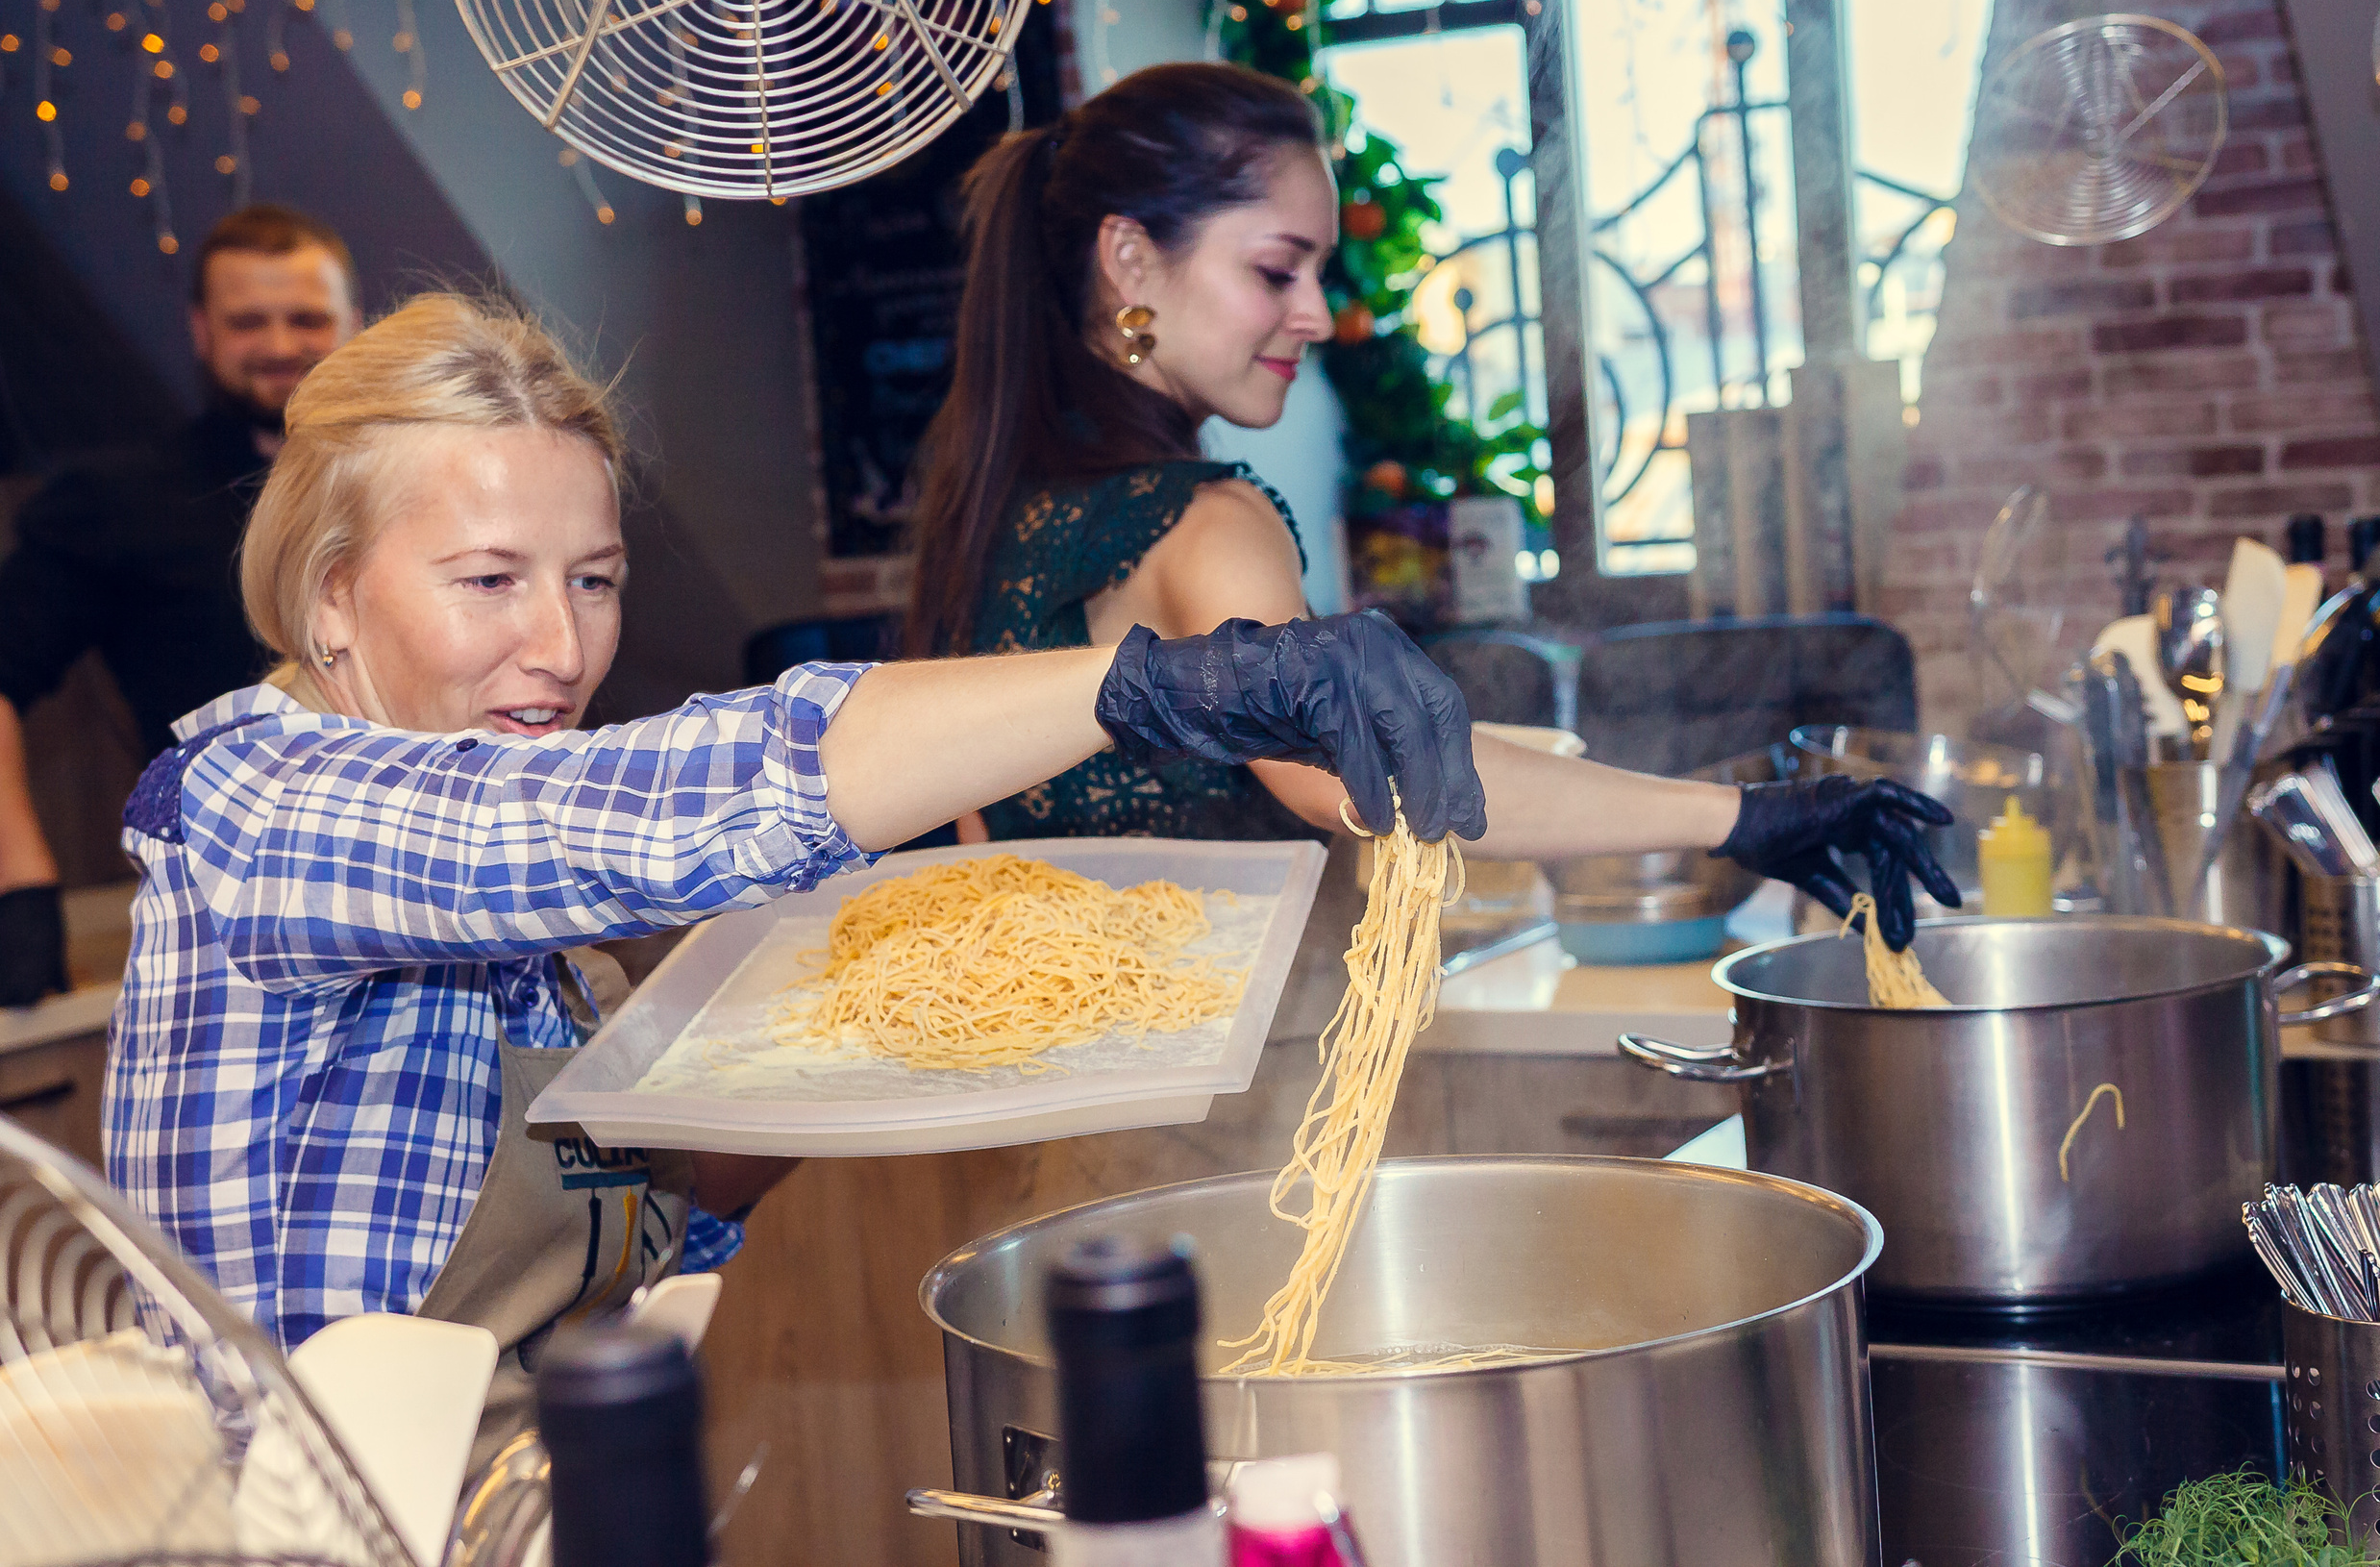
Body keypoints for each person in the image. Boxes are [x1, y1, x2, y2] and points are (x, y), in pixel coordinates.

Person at [108, 291, 1481, 1456]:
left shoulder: (545, 941)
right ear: (332, 595)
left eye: (593, 579)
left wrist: (866, 1045)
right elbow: (622, 812)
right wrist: (1156, 684)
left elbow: (653, 1217)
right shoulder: (255, 808)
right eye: (488, 580)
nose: (561, 648)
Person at [905, 62, 1958, 947]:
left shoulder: (995, 515)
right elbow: (1383, 771)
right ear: (1131, 259)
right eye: (1276, 271)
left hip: (1064, 1093)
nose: (1317, 315)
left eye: (1319, 270)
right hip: (1216, 1095)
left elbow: (979, 843)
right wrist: (1739, 814)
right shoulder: (1203, 523)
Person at [0, 204, 361, 1006]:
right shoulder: (119, 502)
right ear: (202, 330)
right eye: (248, 321)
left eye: (307, 318)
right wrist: (19, 888)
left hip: (435, 880)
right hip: (230, 935)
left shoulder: (426, 488)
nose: (280, 344)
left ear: (355, 322)